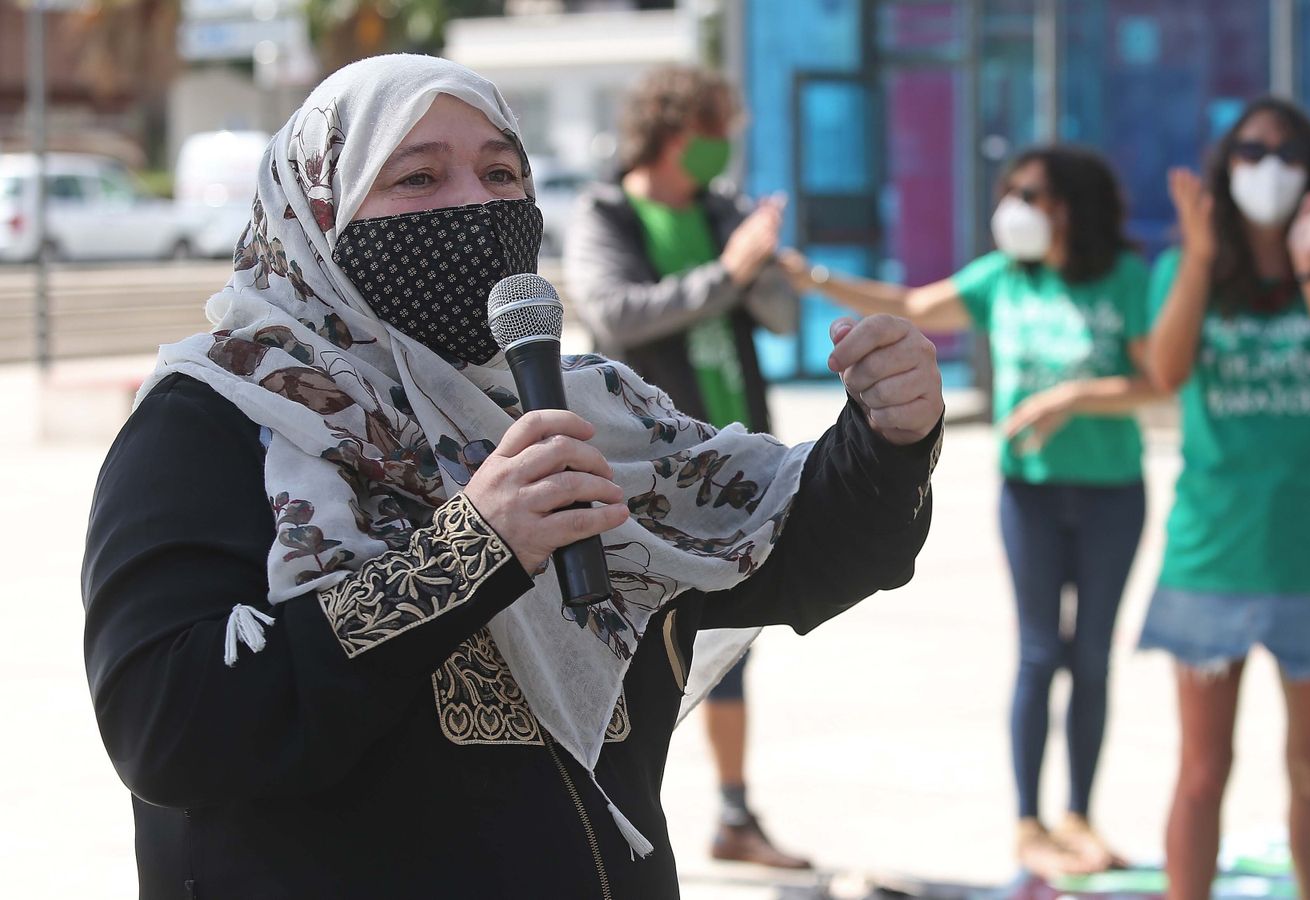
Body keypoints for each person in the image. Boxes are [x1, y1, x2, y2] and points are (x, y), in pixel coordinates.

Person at [81, 55, 944, 900]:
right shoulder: (214, 421)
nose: (475, 205)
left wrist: (889, 437)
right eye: (417, 179)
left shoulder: (587, 409)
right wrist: (469, 550)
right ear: (319, 211)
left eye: (502, 173)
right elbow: (167, 726)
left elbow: (791, 554)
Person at [782, 145, 1159, 876]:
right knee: (1040, 652)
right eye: (1010, 191)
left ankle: (1080, 814)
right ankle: (1029, 822)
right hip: (1031, 493)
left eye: (1034, 194)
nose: (1015, 207)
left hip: (1113, 491)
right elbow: (914, 307)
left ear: (1072, 206)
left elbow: (1154, 381)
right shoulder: (1002, 279)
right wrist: (816, 280)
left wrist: (1071, 397)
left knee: (1092, 658)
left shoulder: (1124, 278)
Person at [562, 64, 813, 870]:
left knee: (732, 639)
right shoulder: (606, 211)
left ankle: (735, 813)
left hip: (735, 465)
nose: (725, 147)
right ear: (678, 131)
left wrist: (765, 263)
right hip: (644, 474)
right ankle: (615, 823)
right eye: (717, 130)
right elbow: (617, 312)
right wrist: (730, 273)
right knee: (637, 650)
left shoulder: (723, 210)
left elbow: (779, 314)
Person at [1139, 98, 1310, 900]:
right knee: (1202, 772)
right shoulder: (1186, 268)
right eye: (1250, 150)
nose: (1268, 167)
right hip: (1214, 552)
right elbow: (1166, 373)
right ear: (1225, 168)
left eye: (1286, 152)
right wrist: (1204, 261)